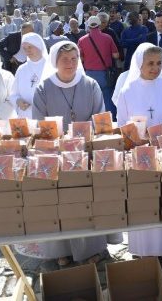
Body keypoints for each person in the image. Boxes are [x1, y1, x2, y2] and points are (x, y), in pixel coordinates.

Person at [26, 41, 108, 264]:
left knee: (85, 201)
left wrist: (84, 141)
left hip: (86, 152)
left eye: (74, 59)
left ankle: (91, 248)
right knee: (60, 202)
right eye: (65, 59)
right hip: (57, 156)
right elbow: (39, 123)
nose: (70, 64)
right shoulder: (43, 88)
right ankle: (61, 249)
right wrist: (60, 143)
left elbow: (99, 116)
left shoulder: (90, 85)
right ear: (55, 62)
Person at [119, 44, 162, 259]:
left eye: (158, 63)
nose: (155, 68)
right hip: (139, 154)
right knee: (144, 200)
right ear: (139, 64)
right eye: (150, 63)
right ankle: (144, 248)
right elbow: (122, 126)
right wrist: (137, 143)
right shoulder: (128, 91)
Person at [78, 16, 120, 117]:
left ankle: (91, 121)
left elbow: (81, 59)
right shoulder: (107, 38)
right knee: (107, 98)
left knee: (91, 100)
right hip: (105, 74)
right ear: (99, 25)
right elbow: (116, 55)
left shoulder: (82, 40)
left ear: (88, 26)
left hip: (89, 74)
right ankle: (111, 120)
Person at [10, 33, 53, 119]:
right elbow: (13, 94)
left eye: (30, 47)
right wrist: (18, 101)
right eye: (25, 48)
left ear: (39, 46)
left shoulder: (51, 67)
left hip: (45, 117)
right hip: (25, 117)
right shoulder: (21, 69)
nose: (27, 51)